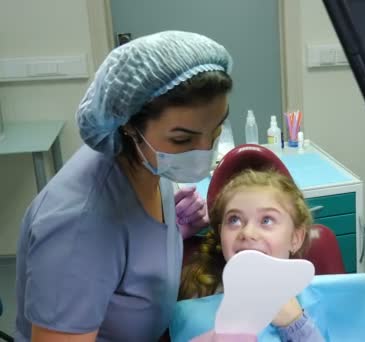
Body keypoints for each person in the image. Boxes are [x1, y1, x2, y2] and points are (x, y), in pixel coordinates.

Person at [14, 30, 232, 341]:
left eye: (217, 127)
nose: (205, 149)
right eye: (183, 139)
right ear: (129, 125)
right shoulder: (78, 225)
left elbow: (126, 257)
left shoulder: (149, 163)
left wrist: (169, 239)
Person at [178, 169, 324, 341]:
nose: (247, 232)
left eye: (266, 220)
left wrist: (295, 324)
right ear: (220, 233)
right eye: (234, 220)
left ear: (295, 238)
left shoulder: (313, 299)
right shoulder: (196, 292)